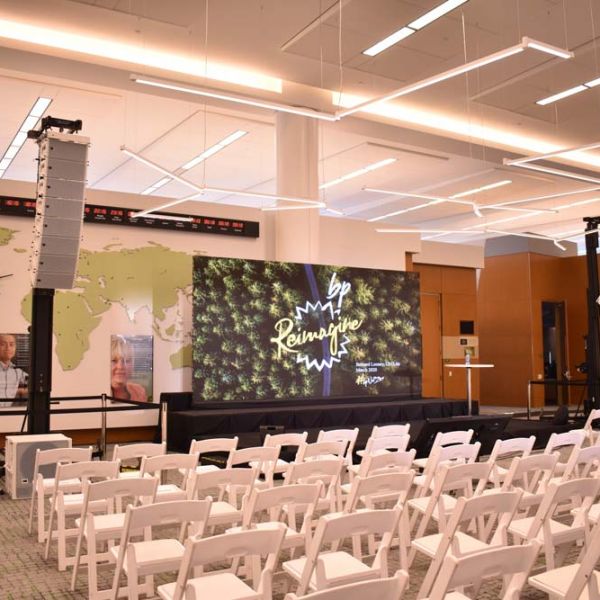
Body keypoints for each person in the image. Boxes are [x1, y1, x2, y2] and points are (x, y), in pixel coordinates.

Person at [110, 336, 148, 402]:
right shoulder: (98, 391)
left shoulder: (140, 392)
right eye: (114, 360)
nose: (120, 367)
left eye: (127, 360)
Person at [0, 333, 28, 400]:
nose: (8, 348)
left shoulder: (17, 371)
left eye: (11, 344)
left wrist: (18, 391)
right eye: (3, 344)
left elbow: (34, 382)